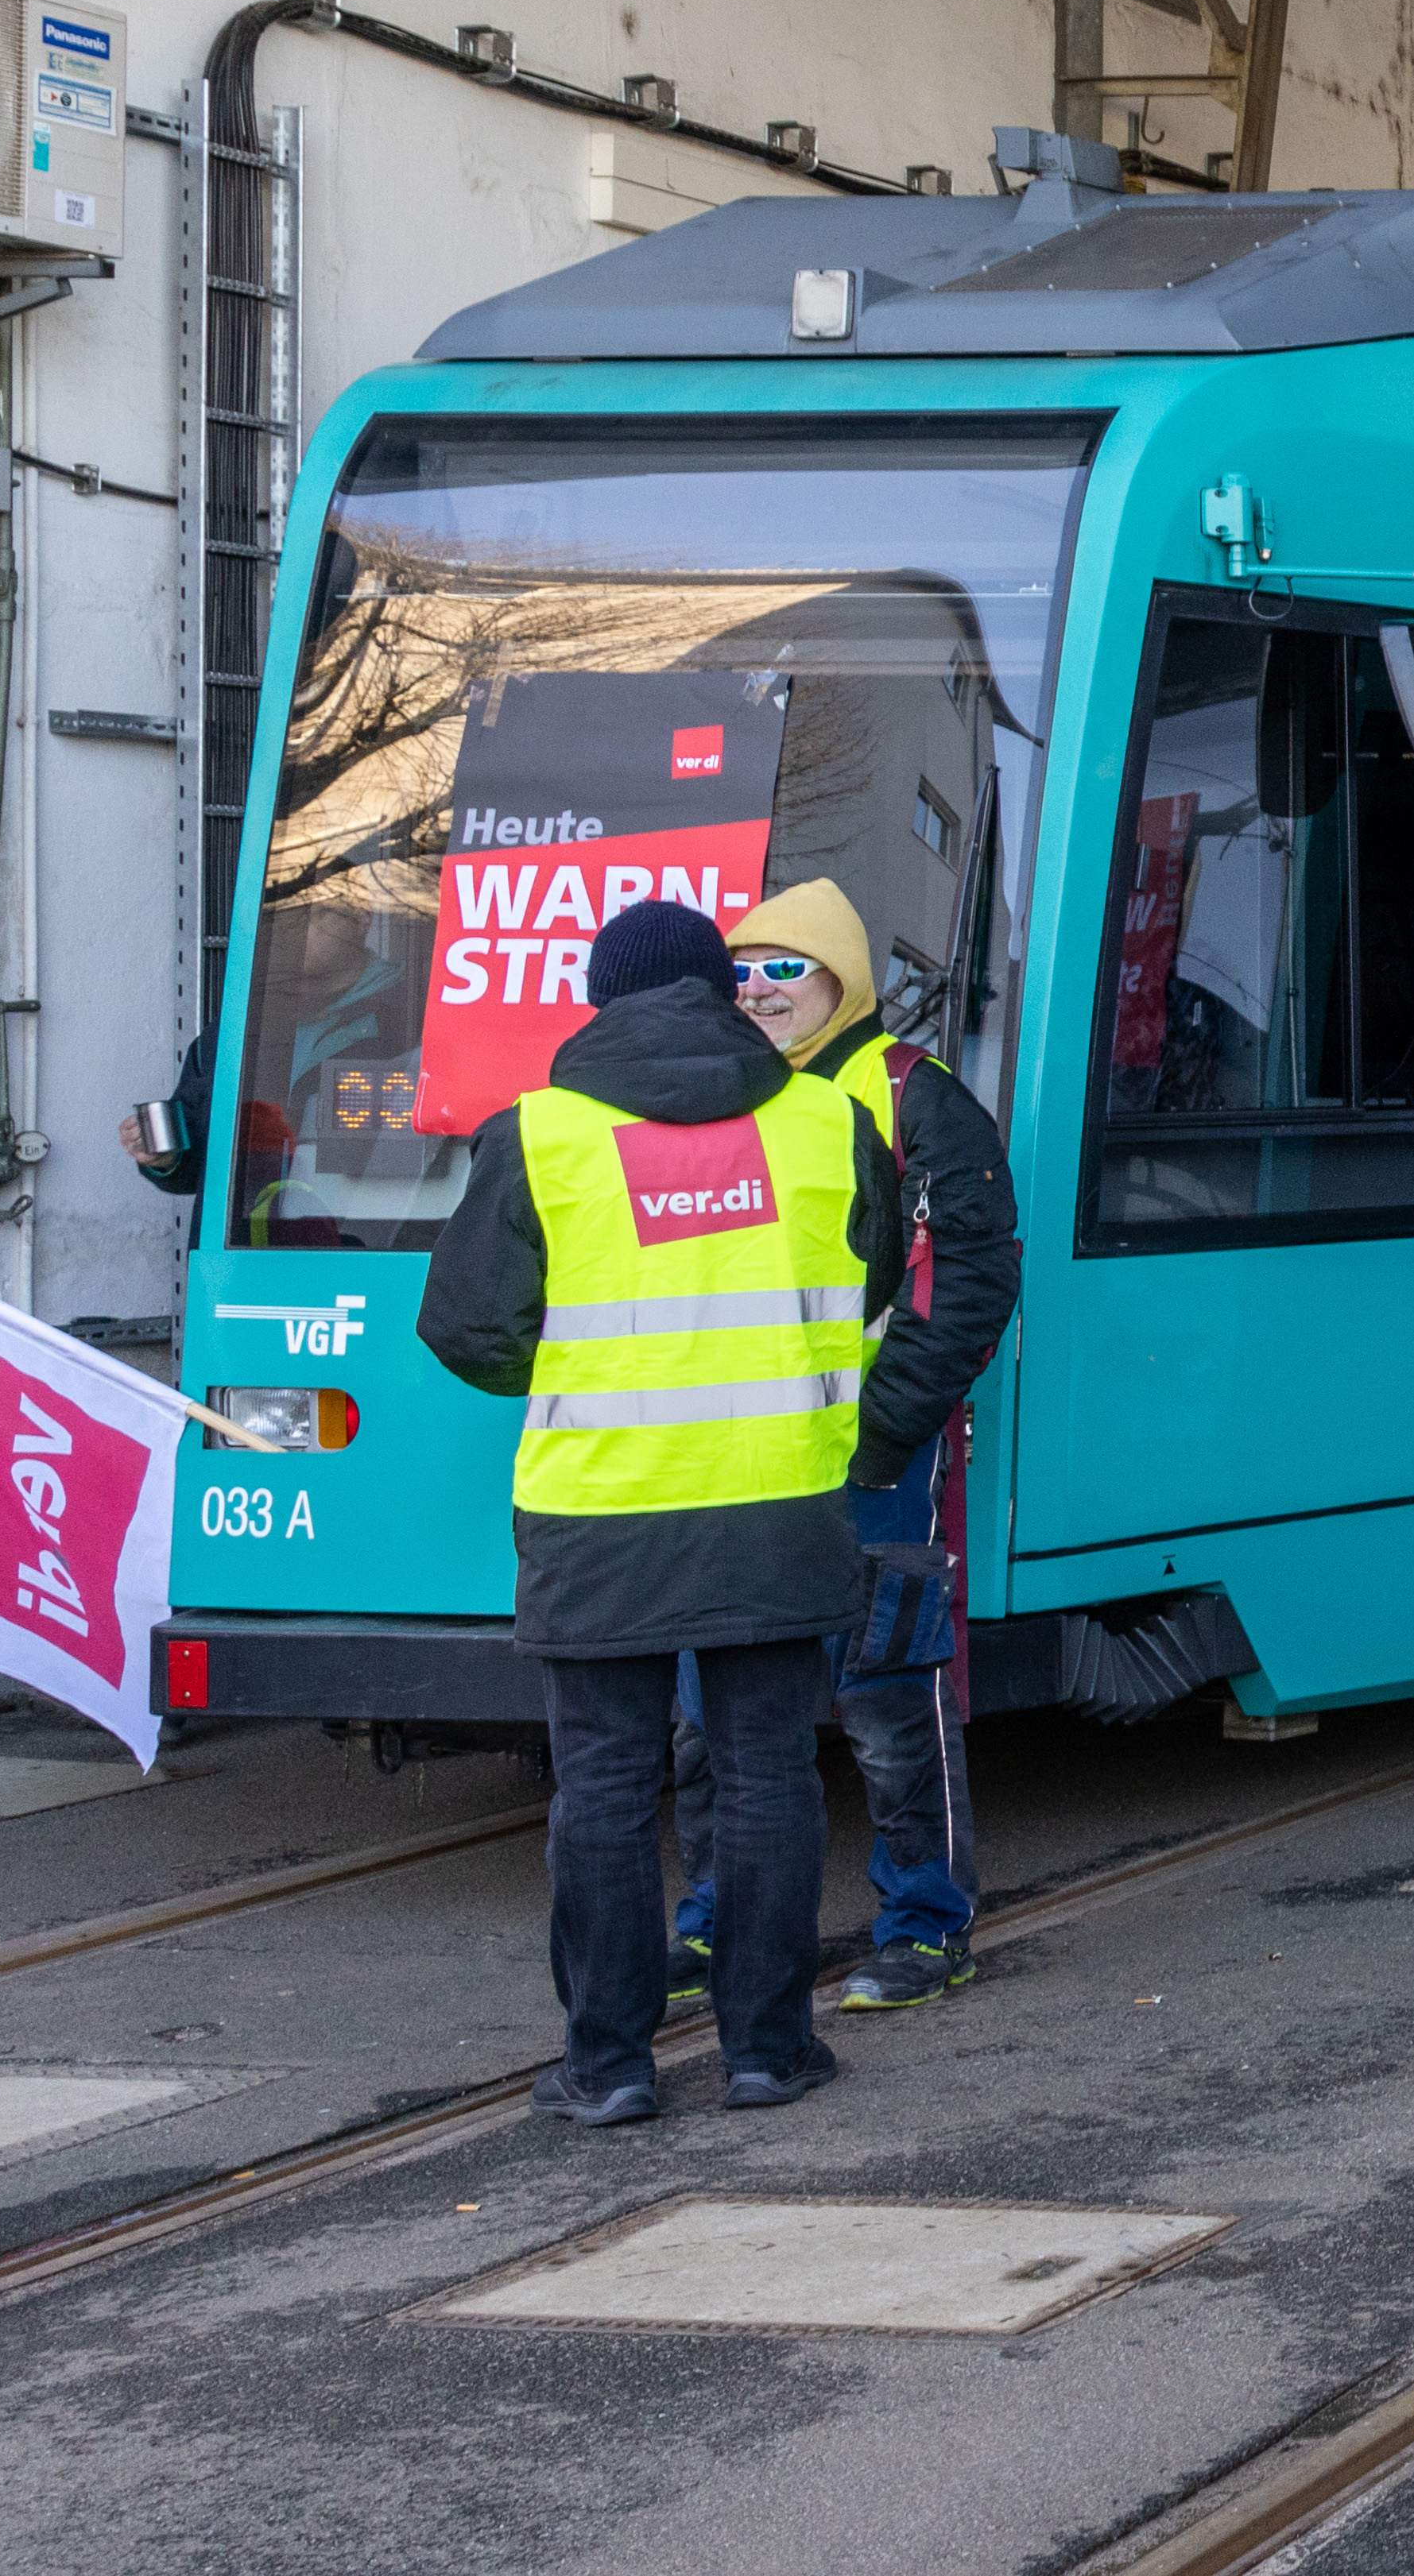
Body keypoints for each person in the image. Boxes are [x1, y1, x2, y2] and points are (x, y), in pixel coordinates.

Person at [419, 899, 925, 2122]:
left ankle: (608, 2067)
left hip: (600, 1514)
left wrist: (579, 1371)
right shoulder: (830, 1123)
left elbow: (469, 1330)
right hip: (777, 1505)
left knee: (601, 1787)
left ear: (601, 1000)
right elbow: (871, 1285)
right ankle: (768, 2051)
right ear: (723, 992)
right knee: (767, 1777)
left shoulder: (538, 1134)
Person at [666, 880, 1021, 2013]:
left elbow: (969, 1282)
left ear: (844, 979)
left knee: (889, 1697)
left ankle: (924, 1925)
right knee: (710, 1703)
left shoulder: (916, 1093)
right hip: (734, 1458)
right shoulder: (715, 1093)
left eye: (788, 967)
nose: (759, 989)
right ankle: (714, 1918)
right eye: (742, 969)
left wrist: (879, 1437)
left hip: (874, 1460)